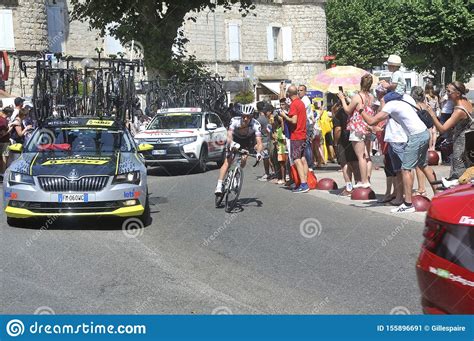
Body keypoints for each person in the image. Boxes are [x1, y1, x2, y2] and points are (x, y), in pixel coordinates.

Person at [361, 86, 437, 213]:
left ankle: (407, 204)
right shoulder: (406, 99)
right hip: (424, 133)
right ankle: (438, 195)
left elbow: (372, 121)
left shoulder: (391, 105)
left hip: (415, 137)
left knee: (406, 169)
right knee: (423, 165)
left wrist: (359, 109)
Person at [427, 81, 473, 181]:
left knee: (459, 174)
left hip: (461, 146)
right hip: (469, 142)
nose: (446, 94)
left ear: (458, 93)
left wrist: (432, 115)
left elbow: (442, 129)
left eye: (449, 91)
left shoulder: (459, 110)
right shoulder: (466, 101)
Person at [214, 104, 264, 195]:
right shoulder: (234, 121)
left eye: (248, 117)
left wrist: (259, 153)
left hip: (246, 141)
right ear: (241, 115)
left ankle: (237, 174)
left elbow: (259, 142)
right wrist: (232, 143)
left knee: (244, 159)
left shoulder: (256, 124)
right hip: (234, 139)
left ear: (251, 116)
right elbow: (229, 135)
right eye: (244, 116)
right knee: (228, 161)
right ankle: (219, 185)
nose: (245, 119)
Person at [337, 74, 375, 188]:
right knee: (367, 155)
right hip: (367, 126)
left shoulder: (357, 96)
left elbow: (348, 110)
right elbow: (358, 105)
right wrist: (349, 99)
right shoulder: (370, 97)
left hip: (357, 127)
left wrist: (342, 99)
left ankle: (363, 181)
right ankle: (367, 178)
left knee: (361, 156)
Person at [279, 85, 309, 193]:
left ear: (288, 94)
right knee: (302, 158)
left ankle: (303, 184)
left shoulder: (294, 104)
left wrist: (284, 115)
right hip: (303, 134)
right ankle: (305, 180)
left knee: (296, 159)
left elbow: (294, 121)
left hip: (296, 135)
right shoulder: (300, 103)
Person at [332, 102, 360, 196]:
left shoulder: (339, 112)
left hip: (343, 141)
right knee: (355, 163)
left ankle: (349, 187)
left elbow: (338, 129)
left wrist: (336, 142)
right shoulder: (355, 110)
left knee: (345, 164)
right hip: (354, 138)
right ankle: (358, 185)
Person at [298, 85, 315, 169]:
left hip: (306, 123)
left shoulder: (305, 100)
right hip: (306, 123)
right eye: (298, 90)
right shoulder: (302, 100)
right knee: (306, 144)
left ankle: (309, 164)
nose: (299, 92)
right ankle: (308, 163)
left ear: (305, 91)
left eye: (301, 90)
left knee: (306, 144)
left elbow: (300, 110)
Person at [425, 82, 440, 151]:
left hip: (427, 116)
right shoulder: (435, 97)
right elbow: (438, 107)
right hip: (434, 115)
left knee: (430, 132)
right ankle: (433, 146)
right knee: (434, 131)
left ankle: (429, 147)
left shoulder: (425, 97)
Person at [0, 107, 11, 180]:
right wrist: (10, 128)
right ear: (9, 113)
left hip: (2, 141)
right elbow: (3, 134)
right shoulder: (4, 121)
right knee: (4, 157)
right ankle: (3, 173)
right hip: (4, 141)